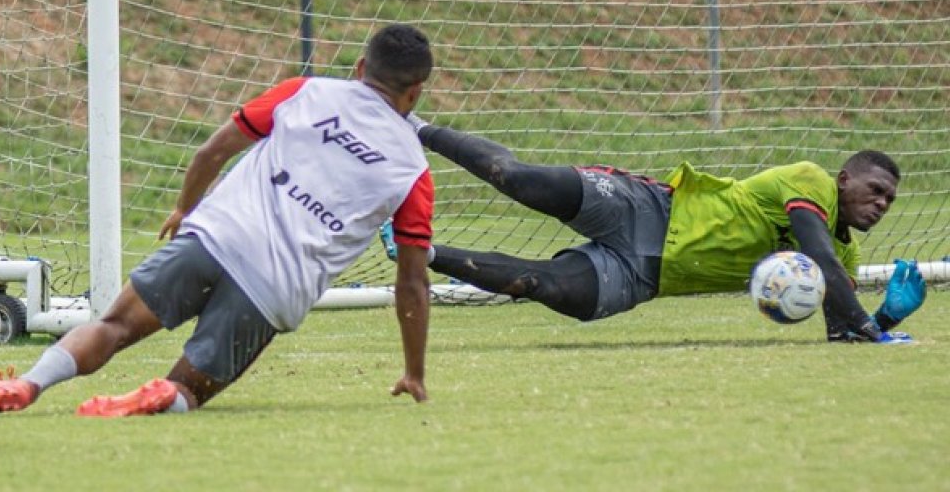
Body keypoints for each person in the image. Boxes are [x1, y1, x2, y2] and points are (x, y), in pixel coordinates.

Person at [0, 23, 436, 418]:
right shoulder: (412, 168)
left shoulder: (306, 91)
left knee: (112, 327)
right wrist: (413, 372)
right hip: (273, 288)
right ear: (414, 93)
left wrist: (184, 209)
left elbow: (213, 152)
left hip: (216, 236)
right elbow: (412, 282)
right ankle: (164, 395)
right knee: (188, 389)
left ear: (360, 67)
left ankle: (29, 383)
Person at [381, 115, 925, 343]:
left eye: (890, 201)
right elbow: (819, 258)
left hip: (643, 277)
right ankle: (416, 126)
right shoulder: (811, 184)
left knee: (539, 285)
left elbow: (841, 327)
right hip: (646, 209)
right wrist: (874, 332)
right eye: (875, 190)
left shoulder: (841, 259)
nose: (881, 204)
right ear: (845, 179)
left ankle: (421, 251)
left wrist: (882, 318)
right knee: (517, 178)